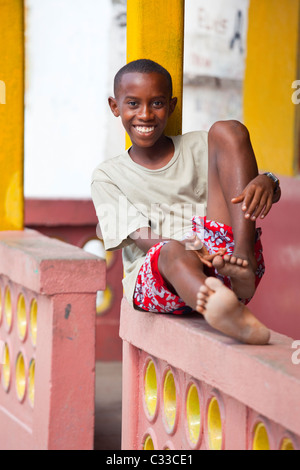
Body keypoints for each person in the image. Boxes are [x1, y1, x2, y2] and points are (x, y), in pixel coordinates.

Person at [91, 59, 281, 345]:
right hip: (164, 279)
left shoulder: (200, 145)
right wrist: (193, 247)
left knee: (228, 129)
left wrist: (269, 182)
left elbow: (249, 190)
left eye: (156, 104)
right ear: (115, 106)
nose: (145, 114)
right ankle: (219, 307)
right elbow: (145, 239)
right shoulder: (108, 175)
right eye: (133, 104)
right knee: (170, 250)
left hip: (222, 258)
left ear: (171, 105)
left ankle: (244, 263)